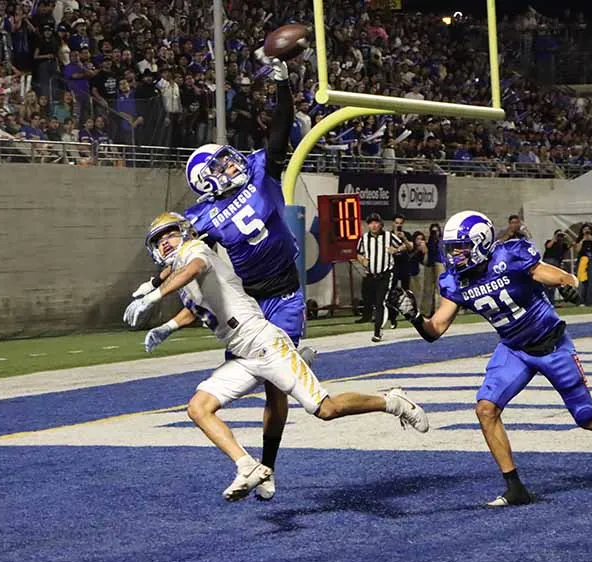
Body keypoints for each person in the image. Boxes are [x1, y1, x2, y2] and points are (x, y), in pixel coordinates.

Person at [125, 212, 429, 501]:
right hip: (243, 354)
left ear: (185, 234)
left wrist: (155, 294)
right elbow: (197, 308)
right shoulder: (181, 270)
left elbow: (193, 267)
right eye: (159, 239)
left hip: (265, 343)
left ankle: (392, 400)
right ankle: (248, 466)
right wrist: (167, 326)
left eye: (170, 234)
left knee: (326, 409)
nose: (165, 242)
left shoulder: (195, 251)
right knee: (198, 408)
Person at [127, 49, 304, 501]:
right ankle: (257, 466)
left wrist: (282, 82)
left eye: (227, 160)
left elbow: (281, 130)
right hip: (247, 301)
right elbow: (178, 252)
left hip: (283, 295)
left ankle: (267, 463)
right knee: (258, 385)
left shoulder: (259, 170)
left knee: (276, 389)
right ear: (206, 182)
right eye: (220, 167)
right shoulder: (199, 216)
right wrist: (153, 289)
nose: (232, 165)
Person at [387, 210, 592, 507]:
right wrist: (415, 316)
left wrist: (569, 281)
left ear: (480, 243)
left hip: (552, 345)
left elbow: (545, 272)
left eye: (460, 247)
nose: (455, 255)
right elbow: (435, 330)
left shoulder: (510, 256)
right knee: (485, 409)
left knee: (590, 421)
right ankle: (515, 488)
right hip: (513, 350)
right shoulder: (456, 280)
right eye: (452, 248)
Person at [354, 213, 403, 342]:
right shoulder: (364, 238)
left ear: (380, 224)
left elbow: (404, 245)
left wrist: (396, 250)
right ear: (368, 225)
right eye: (371, 223)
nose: (374, 225)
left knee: (380, 302)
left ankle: (377, 332)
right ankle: (392, 312)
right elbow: (358, 253)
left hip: (385, 274)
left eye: (376, 223)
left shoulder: (388, 236)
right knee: (373, 302)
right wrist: (362, 260)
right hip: (371, 275)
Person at [388, 214, 414, 329]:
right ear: (393, 223)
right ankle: (392, 317)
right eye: (396, 223)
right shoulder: (387, 236)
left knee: (406, 291)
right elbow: (387, 249)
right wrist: (397, 249)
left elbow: (410, 247)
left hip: (404, 266)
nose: (398, 225)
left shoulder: (406, 235)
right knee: (391, 293)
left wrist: (403, 239)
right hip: (393, 267)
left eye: (400, 223)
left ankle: (409, 314)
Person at [573, 223, 592, 307]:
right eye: (585, 230)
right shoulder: (579, 239)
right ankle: (581, 301)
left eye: (588, 230)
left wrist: (591, 238)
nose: (586, 232)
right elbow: (577, 249)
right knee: (582, 281)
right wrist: (583, 240)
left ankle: (590, 301)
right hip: (582, 261)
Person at [542, 229, 570, 304]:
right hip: (548, 262)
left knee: (553, 284)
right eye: (559, 235)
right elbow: (548, 246)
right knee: (547, 283)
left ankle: (551, 302)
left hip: (557, 263)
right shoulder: (549, 241)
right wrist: (555, 238)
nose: (560, 237)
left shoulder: (563, 245)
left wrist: (567, 237)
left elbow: (571, 244)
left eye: (561, 236)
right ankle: (547, 301)